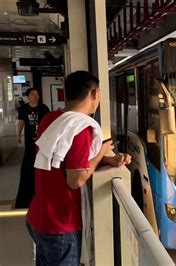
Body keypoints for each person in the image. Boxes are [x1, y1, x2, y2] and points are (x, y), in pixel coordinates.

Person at [26, 71, 131, 265]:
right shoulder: (81, 128)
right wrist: (101, 152)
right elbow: (76, 180)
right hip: (60, 224)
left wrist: (108, 161)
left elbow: (64, 160)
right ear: (93, 93)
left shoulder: (51, 119)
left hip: (37, 216)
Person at [15, 88, 50, 209]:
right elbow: (21, 123)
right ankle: (28, 193)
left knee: (42, 164)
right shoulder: (24, 109)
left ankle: (43, 189)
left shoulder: (44, 108)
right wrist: (18, 136)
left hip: (43, 141)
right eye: (32, 94)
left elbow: (49, 123)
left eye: (37, 94)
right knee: (29, 166)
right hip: (30, 143)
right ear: (27, 96)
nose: (36, 96)